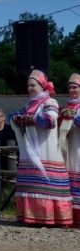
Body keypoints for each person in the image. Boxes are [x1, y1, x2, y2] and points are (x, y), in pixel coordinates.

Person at [10, 69, 72, 226]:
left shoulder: (50, 102)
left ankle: (51, 217)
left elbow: (50, 121)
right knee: (32, 182)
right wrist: (16, 118)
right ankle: (30, 217)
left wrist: (30, 119)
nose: (30, 88)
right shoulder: (29, 104)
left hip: (47, 150)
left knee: (47, 182)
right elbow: (15, 115)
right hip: (31, 151)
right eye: (28, 86)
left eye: (33, 85)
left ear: (43, 86)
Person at [59, 73, 80, 227]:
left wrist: (75, 117)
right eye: (70, 87)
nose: (72, 90)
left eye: (75, 87)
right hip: (69, 146)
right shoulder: (67, 105)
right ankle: (69, 216)